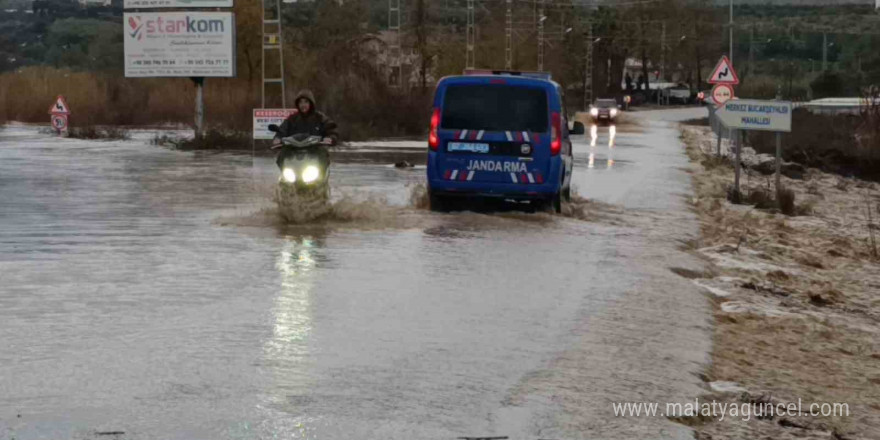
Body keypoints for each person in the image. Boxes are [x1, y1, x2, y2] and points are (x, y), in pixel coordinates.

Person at [272, 89, 339, 148]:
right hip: (293, 154)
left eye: (306, 102)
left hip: (316, 154)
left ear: (311, 103)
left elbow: (331, 128)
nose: (303, 104)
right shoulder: (292, 118)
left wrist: (330, 138)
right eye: (300, 102)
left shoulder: (320, 117)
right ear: (297, 104)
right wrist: (278, 138)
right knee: (280, 159)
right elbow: (282, 130)